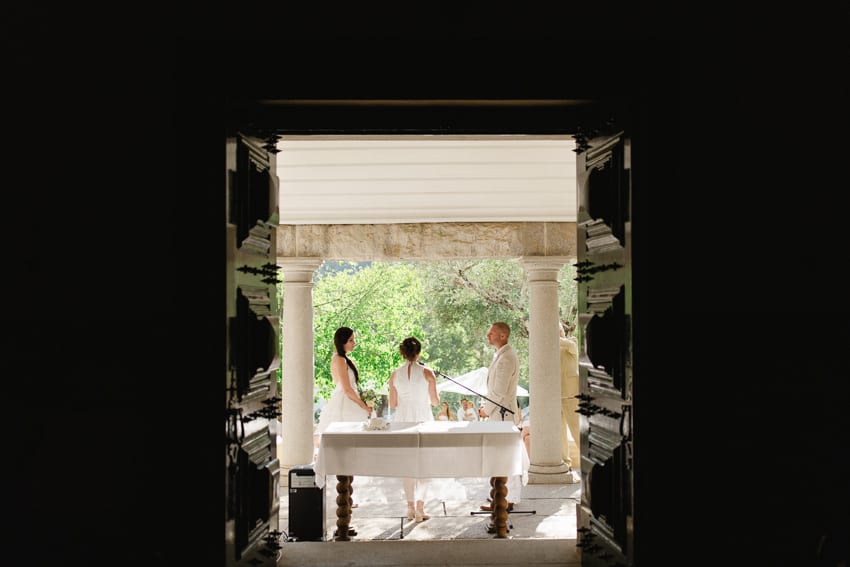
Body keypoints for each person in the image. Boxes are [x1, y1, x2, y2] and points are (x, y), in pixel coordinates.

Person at [388, 336, 440, 522]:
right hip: (423, 419)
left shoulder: (395, 374)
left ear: (403, 353)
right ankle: (420, 508)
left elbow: (393, 404)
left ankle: (409, 507)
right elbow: (435, 402)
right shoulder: (427, 372)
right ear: (419, 352)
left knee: (407, 465)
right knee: (425, 464)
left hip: (402, 420)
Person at [477, 322, 523, 513]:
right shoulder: (500, 355)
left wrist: (486, 410)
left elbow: (499, 392)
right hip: (497, 413)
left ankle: (505, 499)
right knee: (498, 457)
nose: (488, 335)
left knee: (504, 457)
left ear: (502, 336)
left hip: (503, 416)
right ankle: (499, 497)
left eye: (491, 333)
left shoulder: (507, 358)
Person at [316, 326, 372, 436]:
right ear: (342, 342)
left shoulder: (342, 359)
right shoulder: (340, 359)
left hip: (347, 399)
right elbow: (346, 389)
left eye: (353, 340)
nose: (354, 343)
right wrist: (364, 406)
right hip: (345, 402)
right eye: (350, 340)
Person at [559, 321, 581, 482]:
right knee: (560, 433)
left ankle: (588, 462)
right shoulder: (552, 350)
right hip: (556, 396)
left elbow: (567, 344)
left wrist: (552, 336)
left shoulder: (571, 342)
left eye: (558, 329)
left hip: (572, 396)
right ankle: (565, 464)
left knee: (577, 430)